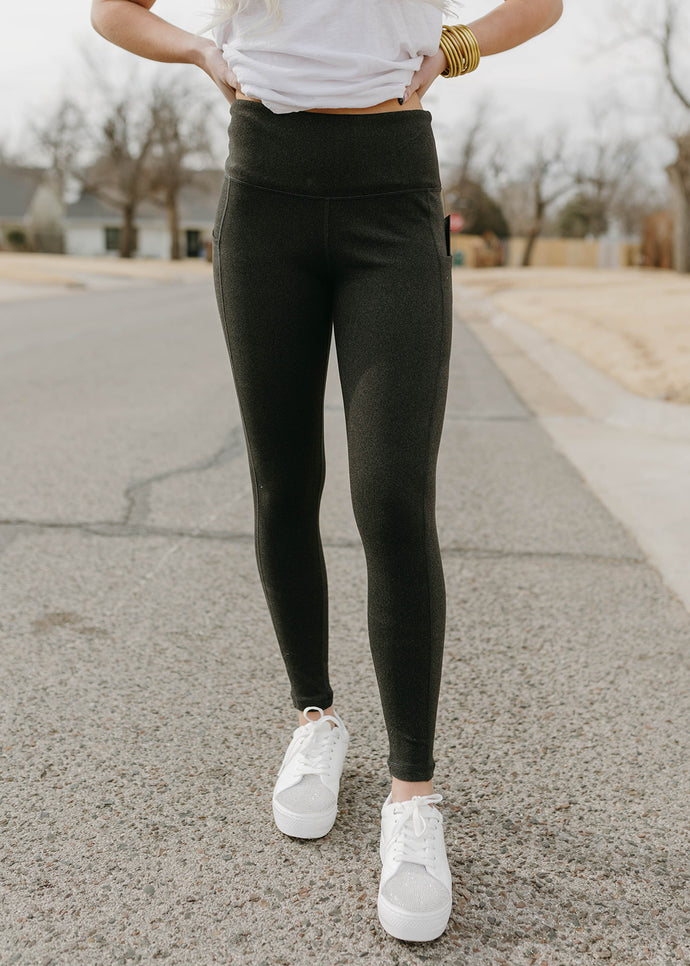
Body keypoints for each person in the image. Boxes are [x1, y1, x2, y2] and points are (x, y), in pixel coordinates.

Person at [91, 0, 563, 943]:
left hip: (392, 187)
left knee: (391, 496)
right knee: (282, 484)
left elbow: (543, 4)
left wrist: (458, 45)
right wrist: (199, 51)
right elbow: (113, 12)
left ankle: (412, 795)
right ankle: (315, 719)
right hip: (263, 186)